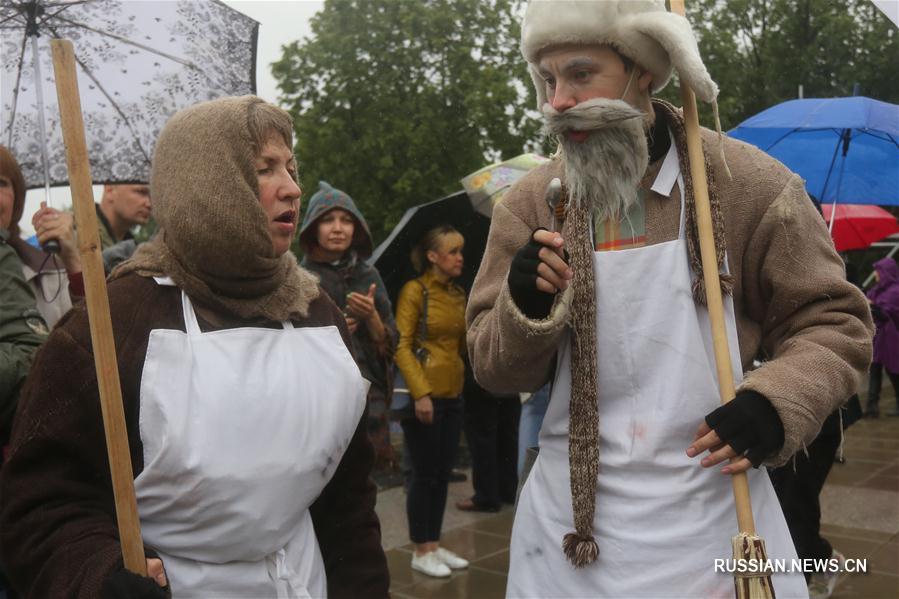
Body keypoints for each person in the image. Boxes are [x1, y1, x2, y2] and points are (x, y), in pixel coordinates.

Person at [466, 1, 872, 597]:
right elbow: (492, 369)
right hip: (569, 534)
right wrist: (523, 307)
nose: (557, 101)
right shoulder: (530, 203)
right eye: (547, 79)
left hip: (713, 522)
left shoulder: (748, 185)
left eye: (581, 74)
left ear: (644, 70)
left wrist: (776, 400)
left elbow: (836, 322)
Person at [0, 96, 389, 598]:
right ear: (208, 183)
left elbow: (348, 500)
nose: (292, 188)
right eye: (265, 168)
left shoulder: (316, 311)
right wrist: (98, 575)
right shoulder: (112, 322)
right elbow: (41, 503)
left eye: (291, 166)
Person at [299, 181, 399, 477]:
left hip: (369, 403)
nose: (338, 227)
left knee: (363, 488)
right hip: (318, 404)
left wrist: (371, 319)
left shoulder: (369, 275)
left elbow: (391, 340)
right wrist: (334, 328)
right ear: (313, 227)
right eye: (328, 219)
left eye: (346, 220)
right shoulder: (300, 278)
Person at [395, 225, 469, 578]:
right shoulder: (415, 291)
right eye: (453, 251)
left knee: (441, 474)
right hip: (424, 397)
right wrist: (420, 392)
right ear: (432, 256)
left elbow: (465, 343)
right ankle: (419, 549)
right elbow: (401, 344)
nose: (460, 258)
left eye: (460, 251)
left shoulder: (457, 294)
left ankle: (434, 544)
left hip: (453, 393)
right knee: (423, 475)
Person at [0, 145, 82, 329]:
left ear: (17, 199)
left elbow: (97, 337)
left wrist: (72, 260)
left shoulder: (52, 274)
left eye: (1, 183)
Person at [456, 362, 520, 513]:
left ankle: (486, 496)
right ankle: (507, 489)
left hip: (482, 378)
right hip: (510, 379)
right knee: (507, 436)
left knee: (482, 437)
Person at [865, 257, 899, 417]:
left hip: (890, 339)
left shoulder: (895, 291)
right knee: (875, 370)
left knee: (894, 372)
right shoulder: (876, 290)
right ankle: (872, 408)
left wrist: (872, 305)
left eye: (878, 270)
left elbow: (887, 314)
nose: (875, 274)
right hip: (877, 338)